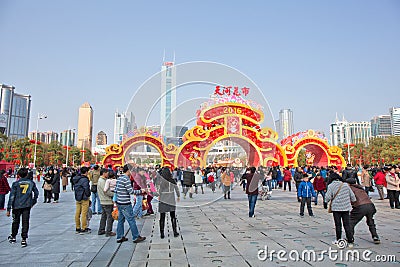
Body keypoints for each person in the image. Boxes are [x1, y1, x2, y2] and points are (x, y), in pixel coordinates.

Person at [7, 168, 39, 247]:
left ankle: (13, 236)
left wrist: (9, 208)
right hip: (27, 205)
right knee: (25, 222)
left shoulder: (15, 184)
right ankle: (24, 239)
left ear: (18, 175)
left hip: (16, 205)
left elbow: (12, 196)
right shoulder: (31, 183)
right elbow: (36, 193)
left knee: (15, 221)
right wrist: (33, 201)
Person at [115, 165, 146, 244]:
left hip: (119, 202)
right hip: (125, 203)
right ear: (128, 171)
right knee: (131, 220)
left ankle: (120, 236)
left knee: (121, 220)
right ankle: (136, 236)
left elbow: (115, 190)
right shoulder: (126, 179)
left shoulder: (119, 178)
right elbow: (131, 191)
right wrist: (141, 191)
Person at [325, 172, 356, 248]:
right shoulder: (345, 185)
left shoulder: (331, 186)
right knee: (347, 224)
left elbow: (327, 197)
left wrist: (325, 202)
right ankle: (350, 240)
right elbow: (353, 197)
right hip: (346, 208)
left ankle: (338, 239)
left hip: (336, 208)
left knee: (338, 224)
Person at [346, 178, 380, 244]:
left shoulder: (350, 189)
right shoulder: (360, 188)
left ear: (348, 184)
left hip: (360, 206)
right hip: (370, 205)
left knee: (351, 222)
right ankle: (375, 236)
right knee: (370, 222)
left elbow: (351, 199)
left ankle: (350, 238)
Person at [158, 167, 180, 239]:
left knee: (162, 217)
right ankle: (175, 232)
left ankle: (162, 233)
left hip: (163, 199)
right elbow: (176, 189)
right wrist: (178, 196)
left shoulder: (160, 181)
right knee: (173, 216)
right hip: (171, 199)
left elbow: (158, 190)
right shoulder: (172, 180)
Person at [73, 167, 91, 234]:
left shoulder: (76, 178)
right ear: (86, 172)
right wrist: (88, 195)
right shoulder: (84, 179)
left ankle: (77, 227)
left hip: (78, 197)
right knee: (84, 213)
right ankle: (84, 227)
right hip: (84, 198)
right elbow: (86, 188)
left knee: (77, 213)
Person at [97, 169, 115, 236]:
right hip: (107, 201)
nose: (108, 174)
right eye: (107, 173)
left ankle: (101, 230)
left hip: (103, 201)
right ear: (104, 173)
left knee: (104, 216)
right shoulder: (103, 181)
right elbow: (106, 191)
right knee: (110, 217)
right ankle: (108, 231)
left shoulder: (102, 180)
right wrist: (115, 194)